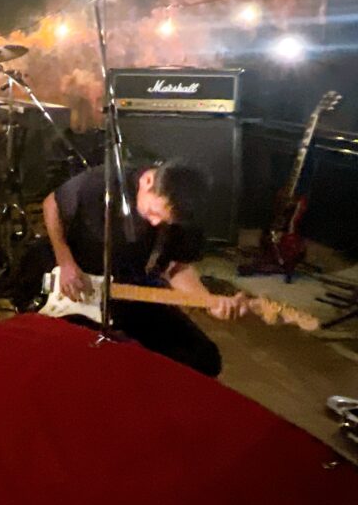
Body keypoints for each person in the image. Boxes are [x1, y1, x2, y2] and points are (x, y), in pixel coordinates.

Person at [36, 160, 249, 376]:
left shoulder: (183, 217)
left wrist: (209, 302)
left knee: (203, 358)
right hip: (76, 288)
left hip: (128, 292)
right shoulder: (104, 182)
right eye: (154, 212)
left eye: (165, 220)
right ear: (147, 181)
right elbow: (52, 204)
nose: (155, 223)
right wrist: (65, 261)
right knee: (85, 360)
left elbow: (176, 267)